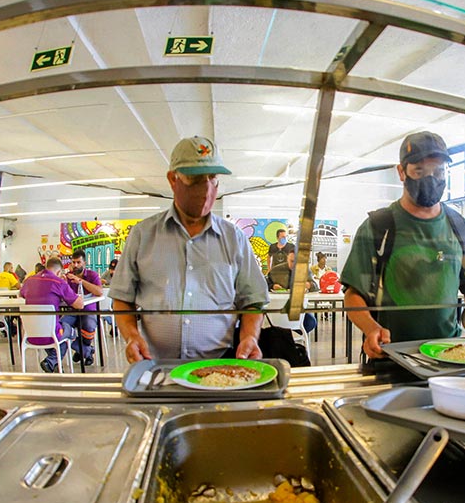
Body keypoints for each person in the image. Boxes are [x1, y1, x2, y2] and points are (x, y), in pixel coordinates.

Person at [340, 130, 465, 360]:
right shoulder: (378, 227)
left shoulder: (460, 228)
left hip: (448, 355)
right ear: (401, 172)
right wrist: (371, 328)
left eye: (438, 171)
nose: (430, 179)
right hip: (391, 356)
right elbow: (353, 294)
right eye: (419, 171)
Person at [109, 135, 268, 361]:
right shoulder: (142, 235)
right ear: (173, 179)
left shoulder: (235, 239)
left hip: (220, 365)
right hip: (155, 364)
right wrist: (132, 336)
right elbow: (122, 298)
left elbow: (252, 300)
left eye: (212, 178)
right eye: (194, 179)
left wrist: (250, 337)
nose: (205, 189)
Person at [19, 256, 84, 372]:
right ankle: (52, 361)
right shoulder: (58, 282)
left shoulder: (29, 281)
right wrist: (65, 285)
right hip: (51, 335)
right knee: (69, 330)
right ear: (59, 272)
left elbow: (21, 294)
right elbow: (79, 305)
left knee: (61, 340)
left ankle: (56, 364)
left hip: (30, 335)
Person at [60, 249, 103, 366]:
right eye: (73, 262)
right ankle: (86, 351)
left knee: (88, 325)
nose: (75, 265)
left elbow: (99, 292)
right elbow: (62, 297)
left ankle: (82, 350)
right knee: (60, 328)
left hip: (89, 311)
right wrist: (63, 283)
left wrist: (81, 281)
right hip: (72, 312)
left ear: (84, 263)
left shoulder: (92, 275)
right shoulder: (67, 277)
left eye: (78, 262)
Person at [266, 251, 319, 333]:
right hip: (278, 308)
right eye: (292, 261)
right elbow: (264, 284)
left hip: (298, 308)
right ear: (287, 259)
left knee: (311, 322)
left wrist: (308, 285)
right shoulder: (275, 270)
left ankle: (290, 336)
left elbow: (315, 287)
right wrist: (272, 286)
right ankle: (286, 336)